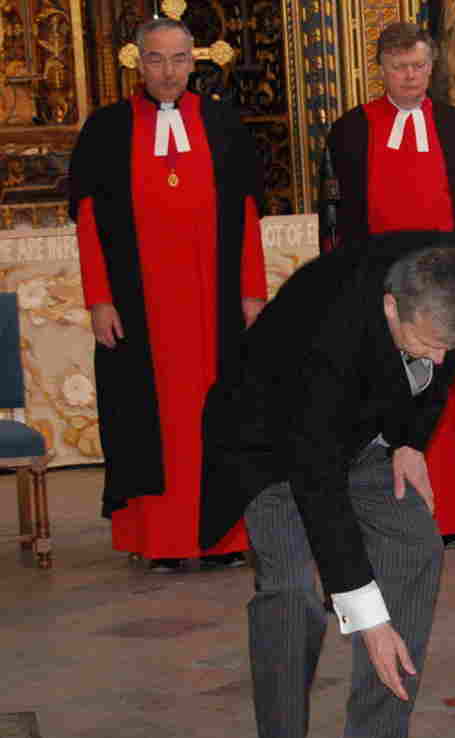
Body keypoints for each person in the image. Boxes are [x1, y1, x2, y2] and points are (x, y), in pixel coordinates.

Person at [198, 232, 455, 738]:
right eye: (427, 342)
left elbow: (441, 361)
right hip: (272, 449)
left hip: (364, 431)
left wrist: (411, 442)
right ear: (390, 307)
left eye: (445, 345)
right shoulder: (324, 341)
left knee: (416, 549)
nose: (437, 357)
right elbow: (318, 483)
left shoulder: (442, 275)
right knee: (294, 594)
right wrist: (367, 617)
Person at [320, 22, 455, 549]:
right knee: (390, 390)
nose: (411, 76)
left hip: (452, 284)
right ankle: (390, 510)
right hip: (383, 287)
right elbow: (333, 221)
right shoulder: (351, 130)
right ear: (381, 69)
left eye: (419, 66)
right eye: (399, 68)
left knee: (454, 395)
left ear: (431, 66)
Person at [69, 17, 266, 574]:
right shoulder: (107, 129)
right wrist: (99, 299)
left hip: (216, 306)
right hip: (140, 309)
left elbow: (248, 216)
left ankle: (225, 536)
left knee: (221, 415)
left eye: (179, 59)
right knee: (145, 422)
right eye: (156, 59)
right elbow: (88, 224)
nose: (168, 71)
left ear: (194, 61)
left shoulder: (223, 124)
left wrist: (252, 291)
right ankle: (158, 538)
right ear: (137, 60)